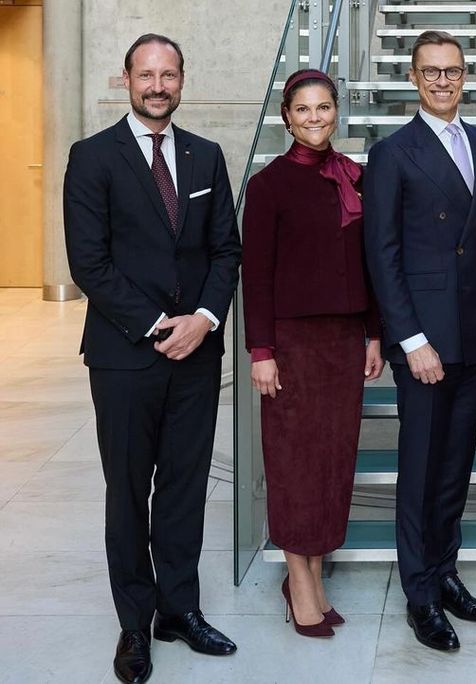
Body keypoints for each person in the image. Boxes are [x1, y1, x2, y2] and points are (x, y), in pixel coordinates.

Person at [63, 34, 240, 684]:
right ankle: (134, 627)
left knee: (186, 490)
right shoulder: (91, 158)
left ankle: (179, 610)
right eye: (147, 74)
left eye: (169, 74)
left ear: (182, 80)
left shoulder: (205, 156)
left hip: (196, 356)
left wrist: (204, 320)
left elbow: (227, 250)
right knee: (128, 492)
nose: (158, 85)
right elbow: (89, 262)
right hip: (124, 357)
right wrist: (154, 324)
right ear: (127, 80)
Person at [363, 30, 476, 652]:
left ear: (465, 75)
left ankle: (445, 571)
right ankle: (420, 595)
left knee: (455, 466)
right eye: (431, 72)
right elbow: (382, 254)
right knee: (420, 470)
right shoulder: (392, 152)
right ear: (414, 78)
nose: (443, 81)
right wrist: (410, 338)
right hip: (424, 340)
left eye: (452, 71)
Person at [241, 69, 384, 639]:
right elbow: (256, 275)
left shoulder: (356, 175)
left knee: (331, 461)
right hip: (292, 344)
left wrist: (374, 333)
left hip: (344, 342)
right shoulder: (269, 184)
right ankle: (298, 579)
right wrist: (261, 351)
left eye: (324, 108)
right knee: (294, 463)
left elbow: (372, 265)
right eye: (304, 109)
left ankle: (314, 573)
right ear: (287, 116)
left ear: (336, 112)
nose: (315, 118)